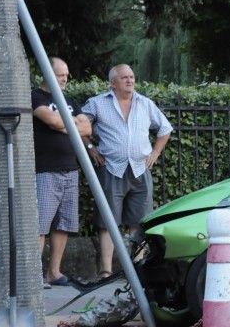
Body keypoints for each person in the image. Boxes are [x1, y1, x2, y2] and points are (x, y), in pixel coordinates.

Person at [82, 64, 173, 277]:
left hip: (140, 169)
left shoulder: (145, 103)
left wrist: (155, 152)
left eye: (131, 77)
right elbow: (78, 125)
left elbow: (165, 128)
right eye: (124, 77)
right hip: (111, 168)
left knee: (139, 222)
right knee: (107, 222)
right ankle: (106, 271)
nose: (130, 80)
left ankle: (137, 269)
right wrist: (90, 147)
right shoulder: (97, 103)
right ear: (113, 83)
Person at [31, 57, 92, 288]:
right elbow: (52, 121)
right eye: (60, 75)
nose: (65, 79)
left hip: (70, 169)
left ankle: (54, 273)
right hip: (46, 170)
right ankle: (33, 275)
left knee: (64, 224)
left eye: (66, 75)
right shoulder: (36, 97)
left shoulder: (70, 101)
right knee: (40, 224)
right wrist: (71, 124)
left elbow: (87, 128)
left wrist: (65, 124)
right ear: (47, 74)